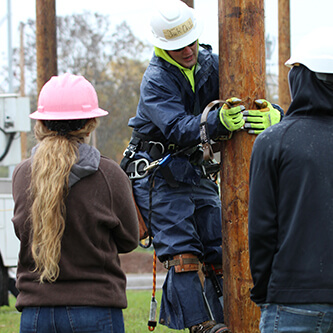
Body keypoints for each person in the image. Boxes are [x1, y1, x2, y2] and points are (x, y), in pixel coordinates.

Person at [120, 1, 283, 332]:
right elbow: (178, 126)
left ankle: (230, 319)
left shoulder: (212, 63)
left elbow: (248, 92)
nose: (187, 50)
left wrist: (274, 115)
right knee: (182, 253)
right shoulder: (156, 79)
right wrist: (216, 121)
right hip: (158, 175)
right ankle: (201, 325)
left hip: (196, 172)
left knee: (218, 248)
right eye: (178, 46)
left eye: (191, 42)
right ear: (162, 46)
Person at [11, 73, 139, 333]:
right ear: (90, 123)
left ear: (42, 125)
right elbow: (129, 239)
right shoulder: (109, 174)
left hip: (36, 313)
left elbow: (21, 232)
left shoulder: (22, 174)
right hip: (95, 309)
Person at [248, 27, 333, 333]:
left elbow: (261, 229)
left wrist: (264, 290)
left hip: (293, 301)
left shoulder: (275, 141)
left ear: (301, 77)